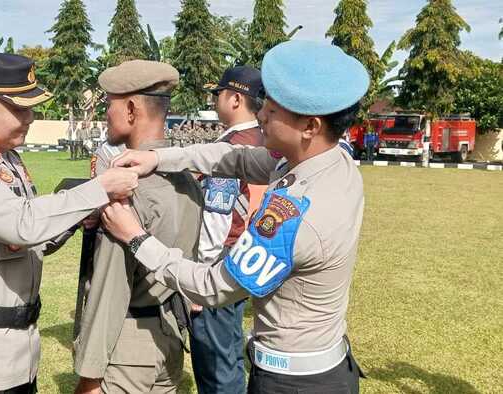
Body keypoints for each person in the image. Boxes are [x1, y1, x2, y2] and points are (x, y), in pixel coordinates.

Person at [102, 40, 369, 393]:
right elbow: (236, 159)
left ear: (310, 126)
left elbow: (214, 287)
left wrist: (137, 238)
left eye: (273, 111)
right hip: (321, 366)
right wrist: (159, 159)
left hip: (293, 384)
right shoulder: (328, 162)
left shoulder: (294, 217)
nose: (261, 115)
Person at [0, 53, 138, 394]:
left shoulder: (6, 158)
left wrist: (78, 218)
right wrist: (99, 189)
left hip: (15, 354)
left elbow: (30, 240)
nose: (31, 117)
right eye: (20, 109)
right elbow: (20, 224)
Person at [74, 59, 203, 394]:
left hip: (125, 343)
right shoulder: (187, 178)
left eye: (109, 105)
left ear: (131, 109)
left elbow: (110, 289)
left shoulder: (125, 188)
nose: (106, 115)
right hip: (169, 335)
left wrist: (89, 378)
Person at [190, 66, 265, 394]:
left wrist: (200, 279)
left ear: (235, 98)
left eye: (217, 93)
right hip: (244, 260)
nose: (214, 99)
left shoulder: (231, 147)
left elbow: (218, 216)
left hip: (219, 264)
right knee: (230, 354)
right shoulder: (262, 139)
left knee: (216, 365)